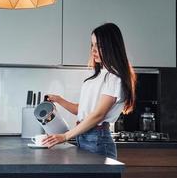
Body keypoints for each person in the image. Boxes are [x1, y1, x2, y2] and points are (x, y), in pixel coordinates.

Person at [42, 23, 136, 159]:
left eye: (99, 46)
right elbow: (83, 111)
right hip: (85, 136)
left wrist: (66, 136)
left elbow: (98, 115)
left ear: (112, 47)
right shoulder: (99, 75)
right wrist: (59, 100)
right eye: (92, 45)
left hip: (97, 139)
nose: (93, 51)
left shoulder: (114, 78)